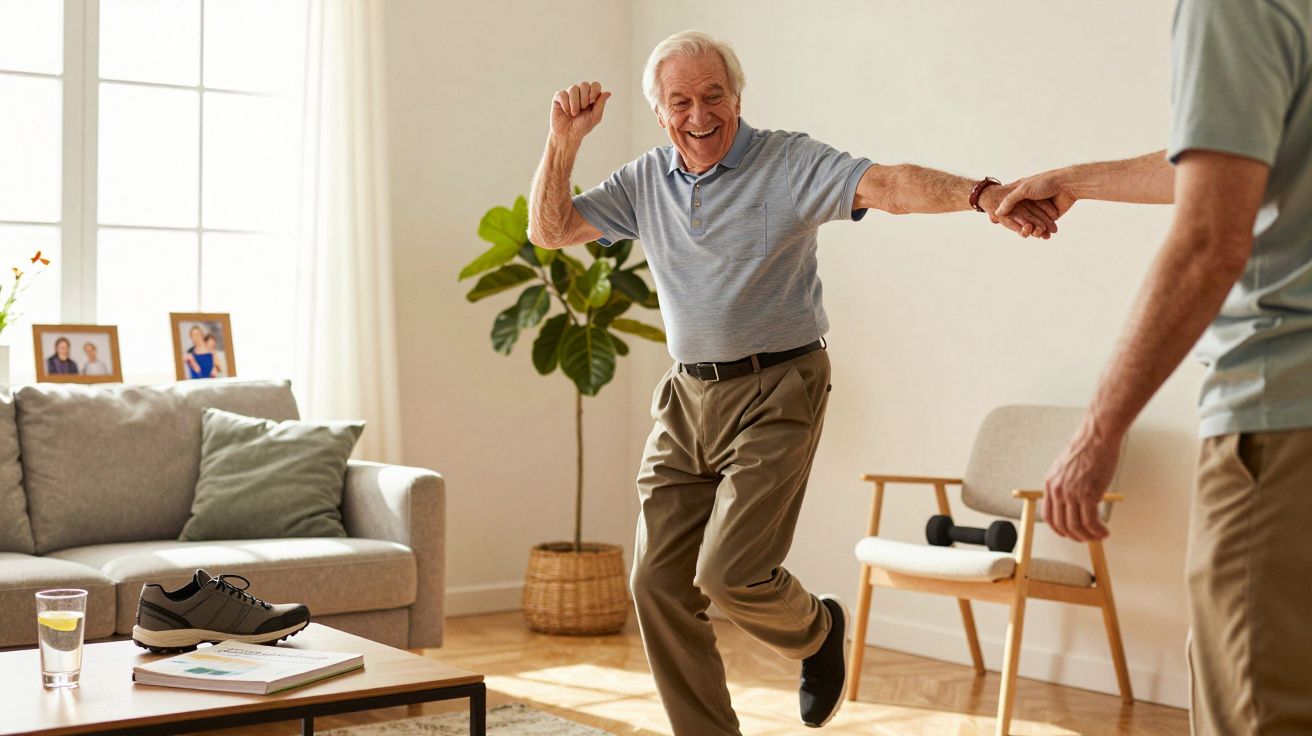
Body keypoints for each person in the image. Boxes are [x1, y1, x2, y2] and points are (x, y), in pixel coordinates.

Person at [527, 30, 1060, 735]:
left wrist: (982, 194)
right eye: (680, 101)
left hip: (779, 385)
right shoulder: (645, 181)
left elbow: (891, 185)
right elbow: (552, 229)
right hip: (685, 397)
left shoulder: (787, 163)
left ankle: (816, 632)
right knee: (654, 585)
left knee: (729, 572)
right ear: (659, 112)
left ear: (737, 96)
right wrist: (564, 140)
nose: (699, 114)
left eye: (713, 95)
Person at [994, 2, 1312, 733]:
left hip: (1282, 416)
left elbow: (1209, 237)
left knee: (1259, 708)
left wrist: (1095, 434)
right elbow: (1238, 164)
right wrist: (1078, 177)